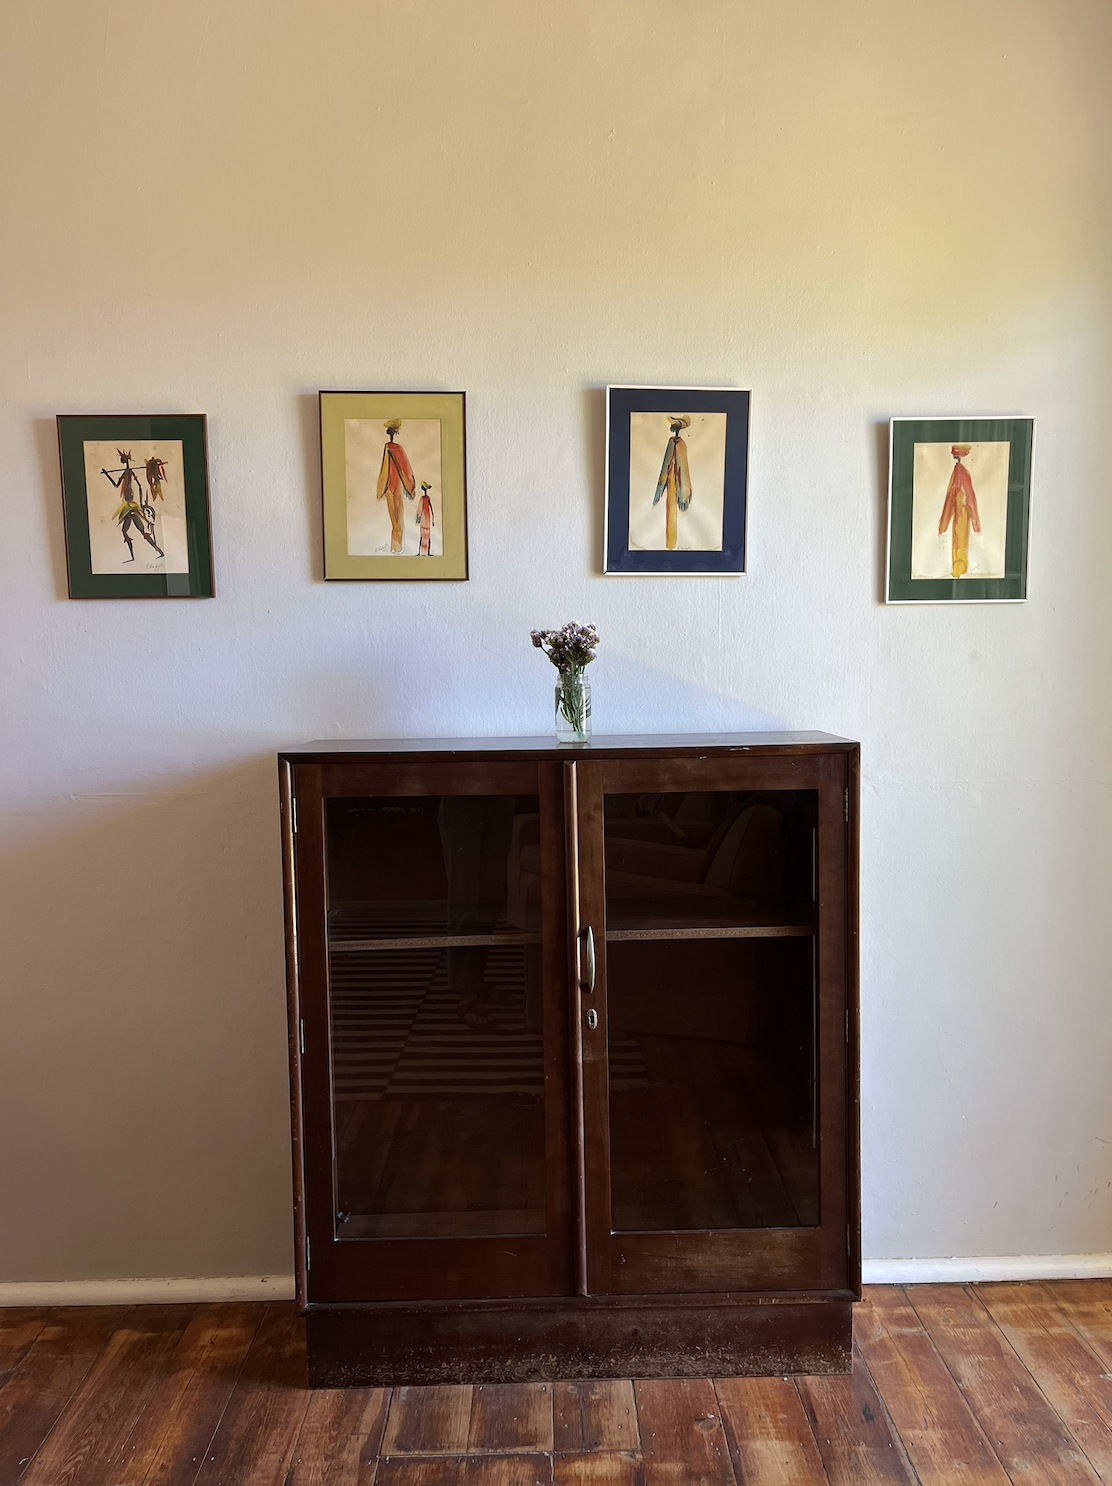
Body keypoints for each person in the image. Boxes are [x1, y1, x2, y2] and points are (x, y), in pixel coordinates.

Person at [101, 450, 164, 562]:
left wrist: (107, 474)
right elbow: (126, 485)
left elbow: (136, 486)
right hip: (129, 507)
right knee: (127, 531)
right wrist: (106, 474)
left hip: (131, 507)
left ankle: (158, 551)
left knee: (138, 532)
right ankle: (140, 555)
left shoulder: (127, 472)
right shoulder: (127, 472)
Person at [938, 443, 981, 578]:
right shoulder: (961, 472)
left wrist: (944, 522)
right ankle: (959, 570)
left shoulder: (959, 472)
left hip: (961, 512)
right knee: (960, 542)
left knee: (959, 542)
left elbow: (958, 496)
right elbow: (967, 497)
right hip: (961, 512)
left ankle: (959, 570)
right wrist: (975, 522)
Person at [652, 415, 692, 550]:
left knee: (672, 514)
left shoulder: (680, 444)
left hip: (676, 484)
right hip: (669, 481)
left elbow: (683, 468)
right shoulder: (673, 442)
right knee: (669, 513)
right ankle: (670, 545)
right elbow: (665, 464)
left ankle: (671, 546)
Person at [376, 420, 416, 553]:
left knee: (395, 523)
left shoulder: (388, 448)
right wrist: (410, 487)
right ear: (396, 432)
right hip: (396, 487)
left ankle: (396, 549)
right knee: (397, 522)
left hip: (390, 488)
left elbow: (385, 470)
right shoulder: (397, 448)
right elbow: (406, 469)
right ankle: (396, 549)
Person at [416, 481, 434, 556]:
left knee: (423, 536)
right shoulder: (426, 498)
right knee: (426, 536)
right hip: (427, 518)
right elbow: (431, 509)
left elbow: (419, 510)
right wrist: (433, 519)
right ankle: (425, 552)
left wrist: (418, 519)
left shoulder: (423, 498)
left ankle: (421, 552)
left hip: (424, 518)